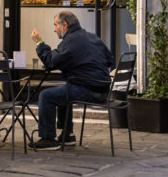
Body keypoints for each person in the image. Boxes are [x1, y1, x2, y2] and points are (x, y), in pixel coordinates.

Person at [30, 10, 114, 150]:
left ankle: (48, 138)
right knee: (65, 90)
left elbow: (50, 62)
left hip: (89, 90)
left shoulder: (71, 41)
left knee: (46, 96)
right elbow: (110, 60)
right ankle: (67, 134)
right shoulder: (92, 37)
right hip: (103, 89)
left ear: (64, 25)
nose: (54, 29)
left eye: (55, 25)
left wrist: (40, 42)